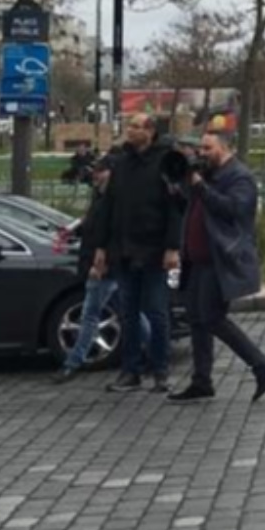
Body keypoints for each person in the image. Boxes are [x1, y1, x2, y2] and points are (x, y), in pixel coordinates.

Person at [168, 132, 265, 402]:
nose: (202, 153)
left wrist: (200, 187)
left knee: (212, 317)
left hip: (220, 260)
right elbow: (190, 206)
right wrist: (178, 186)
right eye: (201, 148)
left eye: (208, 148)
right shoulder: (205, 175)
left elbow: (234, 210)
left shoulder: (239, 177)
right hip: (196, 261)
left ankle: (261, 364)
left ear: (224, 148)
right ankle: (201, 380)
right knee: (196, 318)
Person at [90, 113, 181, 394]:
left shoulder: (167, 161)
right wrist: (101, 246)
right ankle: (130, 371)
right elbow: (109, 206)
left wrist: (172, 247)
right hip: (124, 249)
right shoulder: (121, 163)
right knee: (127, 313)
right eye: (129, 126)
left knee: (156, 312)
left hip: (154, 250)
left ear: (151, 132)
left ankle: (161, 370)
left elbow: (176, 208)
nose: (131, 131)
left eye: (137, 127)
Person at [53, 157, 126, 383]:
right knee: (128, 311)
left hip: (104, 264)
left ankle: (73, 362)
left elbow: (110, 232)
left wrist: (99, 262)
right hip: (99, 261)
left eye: (100, 171)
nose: (95, 175)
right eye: (95, 171)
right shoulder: (101, 196)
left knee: (90, 314)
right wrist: (72, 228)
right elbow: (90, 219)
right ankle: (154, 351)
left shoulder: (115, 200)